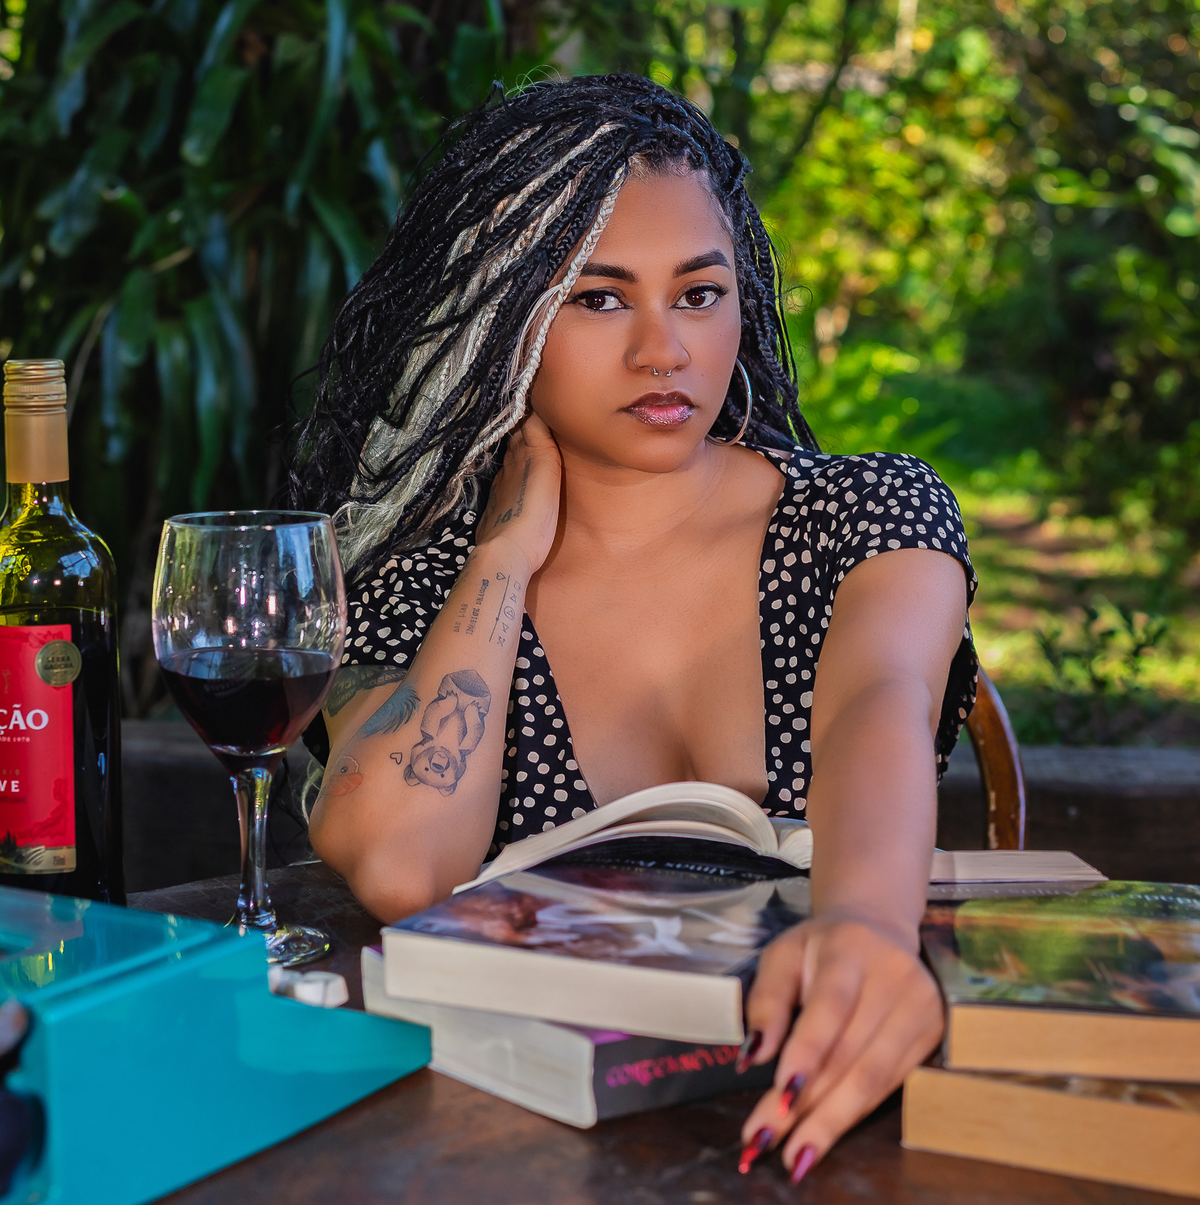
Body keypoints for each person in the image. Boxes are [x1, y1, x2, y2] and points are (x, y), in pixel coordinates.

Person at [294, 74, 976, 1182]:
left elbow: (878, 705)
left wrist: (862, 927)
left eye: (699, 293)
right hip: (526, 1147)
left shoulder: (866, 513)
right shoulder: (428, 580)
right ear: (505, 323)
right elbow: (401, 865)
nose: (666, 349)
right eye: (600, 299)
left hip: (847, 1097)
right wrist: (504, 552)